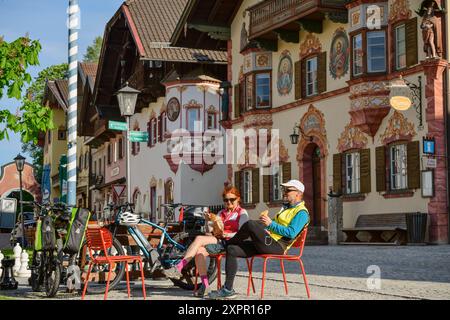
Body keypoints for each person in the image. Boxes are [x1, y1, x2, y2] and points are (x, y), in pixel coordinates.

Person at [208, 179, 310, 300]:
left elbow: (291, 233)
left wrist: (270, 224)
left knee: (250, 224)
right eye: (284, 189)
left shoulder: (302, 213)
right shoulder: (287, 208)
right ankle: (228, 290)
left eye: (288, 190)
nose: (284, 192)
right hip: (269, 242)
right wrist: (266, 226)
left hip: (278, 246)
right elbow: (275, 227)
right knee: (232, 249)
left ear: (298, 193)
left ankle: (223, 245)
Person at [163, 186, 248, 297]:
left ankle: (178, 268)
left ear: (238, 199)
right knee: (199, 252)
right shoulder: (221, 213)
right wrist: (208, 221)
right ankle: (205, 285)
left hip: (232, 242)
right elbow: (209, 232)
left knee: (199, 238)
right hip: (219, 241)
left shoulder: (242, 213)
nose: (229, 202)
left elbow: (243, 233)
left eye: (232, 199)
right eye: (226, 200)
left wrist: (227, 234)